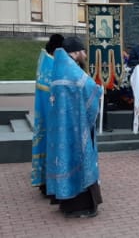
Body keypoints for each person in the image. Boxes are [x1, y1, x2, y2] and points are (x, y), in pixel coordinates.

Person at [46, 36, 103, 218]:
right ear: (77, 51)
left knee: (65, 158)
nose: (85, 55)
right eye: (83, 51)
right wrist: (99, 90)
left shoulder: (58, 68)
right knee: (79, 157)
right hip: (76, 126)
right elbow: (90, 88)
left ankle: (67, 205)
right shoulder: (72, 70)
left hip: (61, 125)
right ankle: (82, 206)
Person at [31, 34, 64, 197]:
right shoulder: (53, 64)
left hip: (41, 112)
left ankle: (42, 182)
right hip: (52, 113)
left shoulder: (43, 59)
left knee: (43, 144)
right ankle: (51, 184)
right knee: (52, 146)